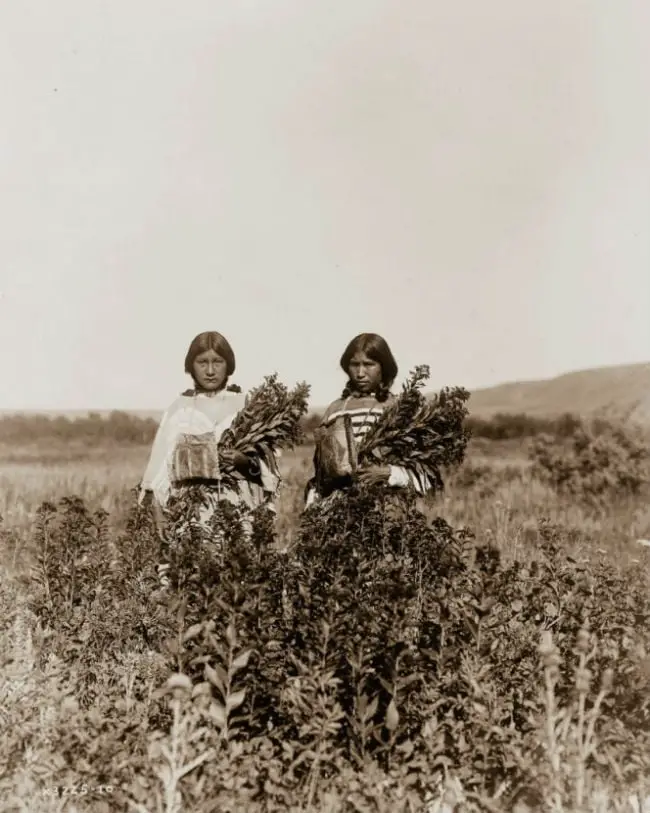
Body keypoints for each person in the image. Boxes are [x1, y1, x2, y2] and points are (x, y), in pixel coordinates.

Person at [139, 332, 279, 569]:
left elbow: (270, 467)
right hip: (191, 509)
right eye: (202, 363)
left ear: (229, 365)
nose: (211, 371)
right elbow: (158, 467)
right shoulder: (179, 409)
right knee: (192, 572)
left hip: (238, 506)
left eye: (218, 362)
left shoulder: (247, 406)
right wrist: (159, 513)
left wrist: (242, 461)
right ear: (191, 366)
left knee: (237, 571)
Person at [304, 333, 431, 507]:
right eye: (354, 365)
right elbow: (320, 475)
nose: (360, 373)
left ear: (384, 367)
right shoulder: (335, 410)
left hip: (388, 509)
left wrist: (387, 473)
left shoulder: (398, 410)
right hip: (339, 512)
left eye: (369, 364)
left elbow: (424, 478)